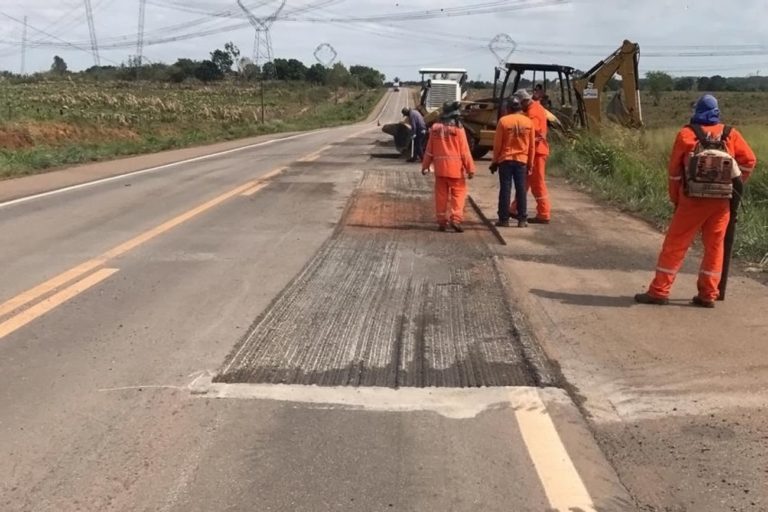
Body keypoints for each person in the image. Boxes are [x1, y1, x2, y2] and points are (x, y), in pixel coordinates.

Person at [635, 94, 757, 308]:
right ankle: (708, 294)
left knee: (675, 245)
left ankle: (659, 291)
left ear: (697, 111)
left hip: (691, 200)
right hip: (721, 203)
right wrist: (733, 185)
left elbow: (674, 173)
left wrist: (676, 198)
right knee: (715, 247)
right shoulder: (730, 134)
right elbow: (749, 161)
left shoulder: (686, 135)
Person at [421, 101, 476, 233]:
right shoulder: (459, 130)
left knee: (441, 196)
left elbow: (429, 150)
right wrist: (470, 169)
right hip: (455, 171)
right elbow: (465, 152)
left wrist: (425, 166)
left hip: (440, 170)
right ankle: (455, 219)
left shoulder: (435, 129)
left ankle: (441, 221)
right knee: (458, 194)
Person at [490, 96, 535, 228]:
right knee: (521, 189)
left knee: (505, 189)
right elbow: (532, 146)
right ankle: (522, 219)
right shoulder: (528, 122)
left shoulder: (503, 121)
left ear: (508, 108)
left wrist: (494, 161)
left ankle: (504, 220)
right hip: (522, 161)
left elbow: (497, 145)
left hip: (506, 160)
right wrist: (530, 163)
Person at [509, 89, 551, 224]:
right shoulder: (534, 109)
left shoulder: (533, 112)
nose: (519, 107)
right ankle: (514, 209)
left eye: (520, 104)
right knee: (524, 182)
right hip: (534, 152)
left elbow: (531, 130)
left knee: (537, 183)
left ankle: (543, 214)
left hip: (537, 153)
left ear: (525, 101)